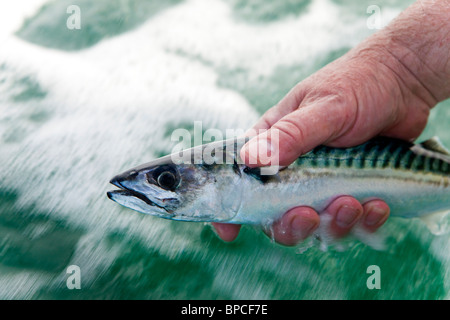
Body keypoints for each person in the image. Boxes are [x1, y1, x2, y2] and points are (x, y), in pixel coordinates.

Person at [212, 0, 450, 246]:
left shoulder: (256, 158)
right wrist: (397, 72)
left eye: (168, 181)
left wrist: (398, 70)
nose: (166, 195)